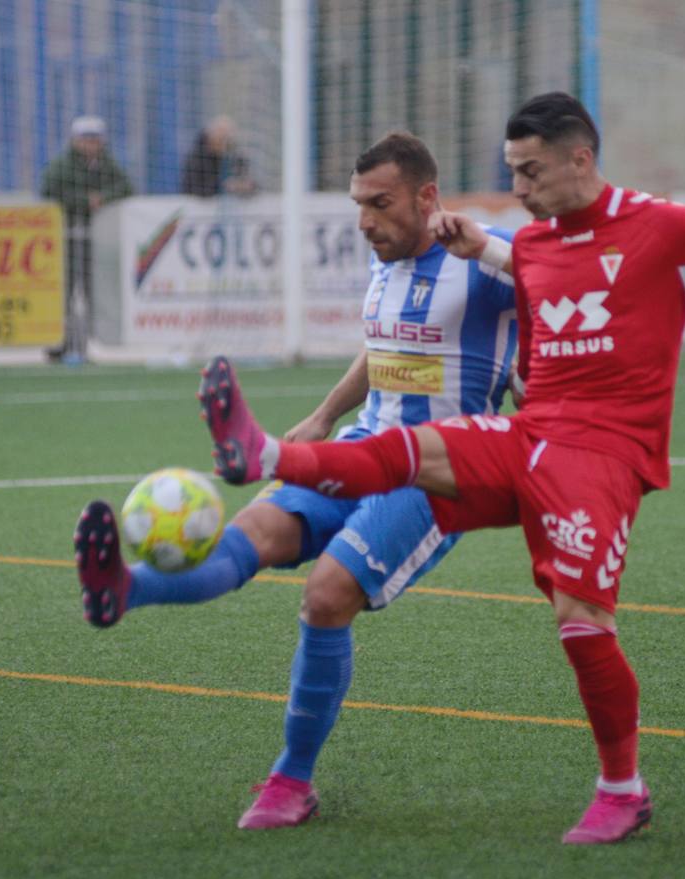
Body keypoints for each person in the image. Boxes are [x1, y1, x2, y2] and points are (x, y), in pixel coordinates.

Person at [198, 93, 685, 845]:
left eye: (530, 171)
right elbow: (526, 268)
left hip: (602, 455)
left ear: (581, 159)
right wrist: (482, 251)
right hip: (531, 430)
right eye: (511, 171)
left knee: (580, 618)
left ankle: (622, 791)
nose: (518, 188)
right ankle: (268, 455)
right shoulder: (531, 243)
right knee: (410, 451)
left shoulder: (663, 229)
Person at [74, 131, 519, 830]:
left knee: (325, 594)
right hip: (360, 446)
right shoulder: (387, 259)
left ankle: (292, 779)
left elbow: (559, 282)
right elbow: (384, 351)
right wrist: (320, 417)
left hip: (438, 472)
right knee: (245, 538)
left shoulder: (481, 258)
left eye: (381, 203)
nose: (366, 220)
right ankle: (125, 589)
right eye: (357, 205)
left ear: (428, 197)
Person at [40, 115, 134, 361]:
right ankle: (59, 345)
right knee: (66, 293)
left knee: (92, 293)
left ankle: (86, 344)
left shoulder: (106, 164)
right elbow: (49, 190)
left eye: (95, 139)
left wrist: (102, 198)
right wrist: (84, 201)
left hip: (94, 243)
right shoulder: (62, 166)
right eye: (86, 139)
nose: (91, 144)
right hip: (67, 242)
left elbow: (126, 186)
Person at [180, 116, 257, 197]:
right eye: (220, 139)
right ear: (210, 137)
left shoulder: (236, 157)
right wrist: (224, 185)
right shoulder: (196, 158)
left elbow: (253, 185)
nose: (223, 143)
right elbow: (195, 190)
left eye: (227, 139)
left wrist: (245, 186)